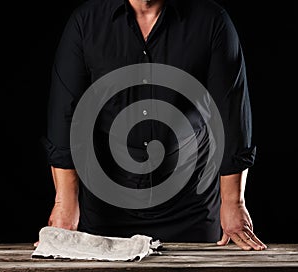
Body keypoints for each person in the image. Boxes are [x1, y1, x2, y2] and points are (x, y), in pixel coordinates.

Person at [40, 0, 267, 250]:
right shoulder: (86, 22)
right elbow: (65, 113)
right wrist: (64, 201)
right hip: (106, 207)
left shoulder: (213, 21)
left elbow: (232, 114)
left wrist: (233, 201)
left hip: (191, 204)